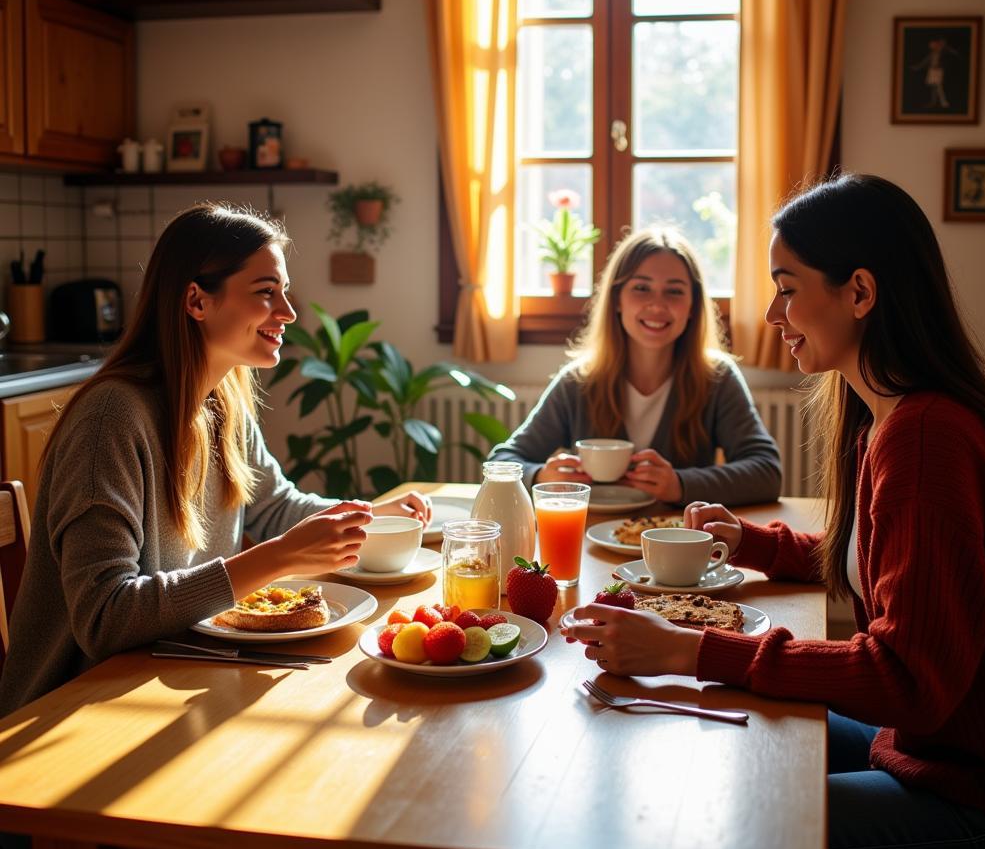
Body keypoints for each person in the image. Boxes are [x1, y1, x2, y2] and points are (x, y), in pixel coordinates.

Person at [565, 175, 985, 849]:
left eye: (787, 286)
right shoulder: (891, 420)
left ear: (861, 293)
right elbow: (882, 562)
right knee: (717, 737)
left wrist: (691, 648)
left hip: (982, 797)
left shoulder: (928, 439)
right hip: (921, 751)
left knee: (711, 827)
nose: (774, 313)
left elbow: (911, 682)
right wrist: (752, 545)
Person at [0, 203, 430, 720]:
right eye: (266, 292)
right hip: (67, 711)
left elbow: (276, 507)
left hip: (167, 677)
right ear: (196, 300)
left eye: (284, 292)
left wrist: (372, 515)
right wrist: (276, 559)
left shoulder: (222, 402)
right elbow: (105, 617)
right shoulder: (110, 420)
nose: (288, 312)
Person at [489, 226, 781, 506]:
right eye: (641, 288)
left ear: (693, 306)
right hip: (590, 543)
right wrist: (540, 475)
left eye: (675, 291)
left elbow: (767, 472)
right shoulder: (578, 382)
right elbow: (501, 463)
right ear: (617, 299)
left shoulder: (717, 379)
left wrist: (679, 484)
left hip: (677, 545)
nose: (657, 305)